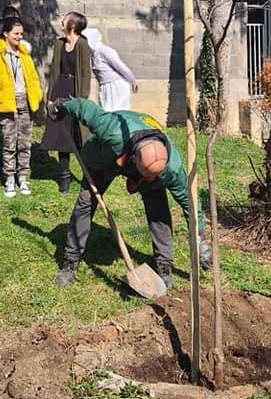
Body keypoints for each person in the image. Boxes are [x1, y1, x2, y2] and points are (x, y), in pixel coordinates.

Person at [46, 97, 212, 290]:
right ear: (133, 160)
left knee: (158, 209)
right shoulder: (112, 130)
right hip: (104, 158)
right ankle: (70, 262)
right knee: (85, 203)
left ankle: (164, 267)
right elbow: (85, 108)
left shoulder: (170, 168)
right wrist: (61, 105)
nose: (151, 180)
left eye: (154, 175)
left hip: (141, 158)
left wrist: (199, 237)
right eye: (147, 176)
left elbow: (189, 201)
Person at [0, 18, 43, 197]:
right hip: (8, 104)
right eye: (16, 33)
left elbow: (34, 79)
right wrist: (0, 97)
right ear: (6, 34)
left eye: (21, 34)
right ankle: (9, 179)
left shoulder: (25, 55)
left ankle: (22, 177)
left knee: (24, 142)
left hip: (26, 103)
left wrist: (37, 95)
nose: (19, 37)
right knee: (10, 143)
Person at [40, 11, 92, 194]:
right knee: (62, 136)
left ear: (72, 25)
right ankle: (64, 177)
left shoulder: (83, 45)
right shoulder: (59, 44)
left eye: (64, 20)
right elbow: (54, 71)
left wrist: (81, 101)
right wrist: (50, 97)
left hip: (75, 93)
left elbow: (86, 74)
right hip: (60, 89)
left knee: (78, 136)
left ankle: (89, 176)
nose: (61, 22)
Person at [83, 28, 139, 112]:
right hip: (104, 87)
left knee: (117, 112)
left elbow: (120, 66)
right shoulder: (93, 54)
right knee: (106, 112)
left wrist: (132, 80)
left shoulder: (104, 50)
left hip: (116, 86)